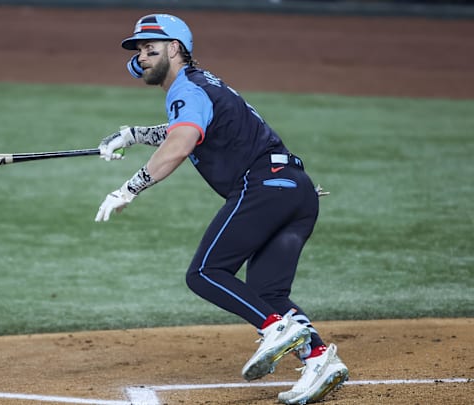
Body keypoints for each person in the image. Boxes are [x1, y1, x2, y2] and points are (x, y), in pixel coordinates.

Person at [94, 14, 349, 404]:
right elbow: (189, 129)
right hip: (295, 190)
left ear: (176, 49)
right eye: (140, 51)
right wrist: (133, 134)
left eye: (151, 48)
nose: (143, 57)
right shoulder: (201, 85)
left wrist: (130, 188)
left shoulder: (186, 89)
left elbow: (181, 143)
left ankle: (273, 329)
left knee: (205, 273)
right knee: (269, 292)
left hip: (264, 187)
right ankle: (318, 360)